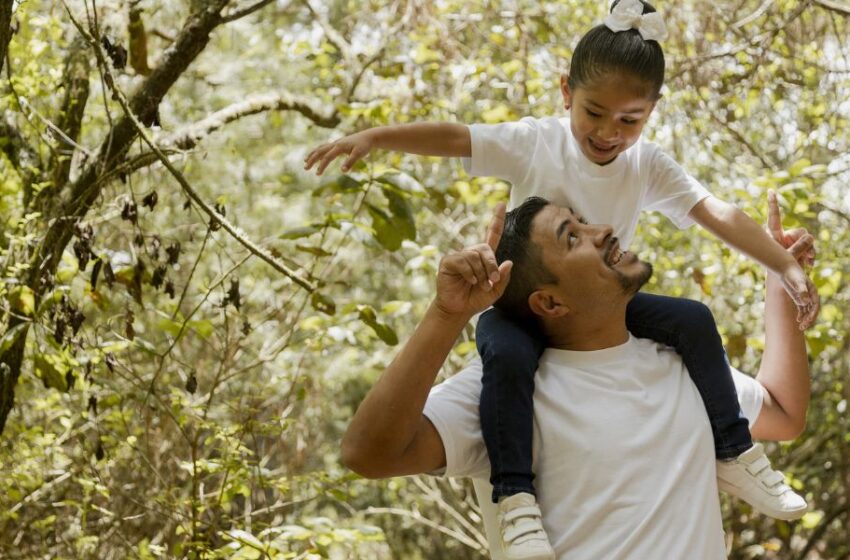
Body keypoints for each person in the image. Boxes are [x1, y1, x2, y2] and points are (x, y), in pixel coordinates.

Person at [308, 1, 820, 556]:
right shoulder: (536, 142)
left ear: (651, 111)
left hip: (605, 308)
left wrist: (782, 267)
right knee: (504, 355)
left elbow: (716, 212)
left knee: (693, 318)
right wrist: (375, 138)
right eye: (594, 113)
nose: (608, 133)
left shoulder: (647, 170)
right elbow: (457, 137)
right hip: (519, 308)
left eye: (630, 120)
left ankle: (735, 450)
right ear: (565, 93)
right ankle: (516, 497)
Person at [341, 196, 813, 560]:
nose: (603, 230)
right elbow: (369, 453)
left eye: (584, 221)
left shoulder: (682, 361)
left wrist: (779, 279)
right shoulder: (505, 390)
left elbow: (784, 414)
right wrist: (446, 315)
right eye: (572, 237)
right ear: (548, 303)